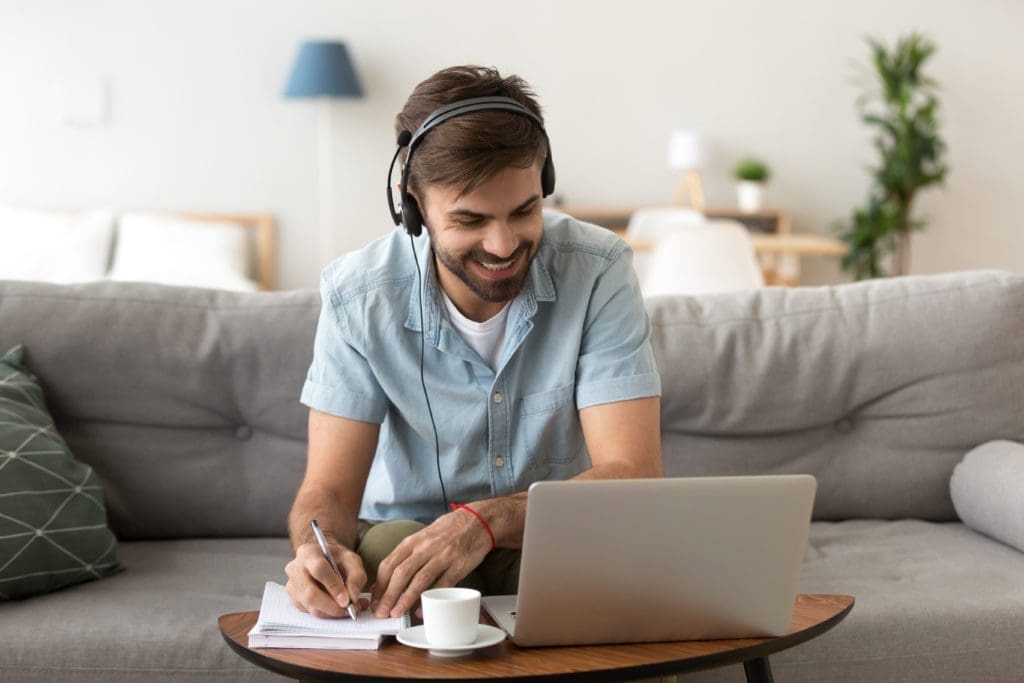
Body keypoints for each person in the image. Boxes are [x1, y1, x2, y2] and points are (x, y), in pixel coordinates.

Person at [284, 65, 662, 621]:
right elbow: (329, 493)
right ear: (412, 205)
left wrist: (484, 523)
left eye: (524, 210)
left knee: (619, 574)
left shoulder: (599, 271)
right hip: (402, 545)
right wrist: (317, 551)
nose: (503, 243)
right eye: (470, 219)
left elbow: (632, 474)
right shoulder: (356, 295)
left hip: (544, 540)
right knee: (389, 548)